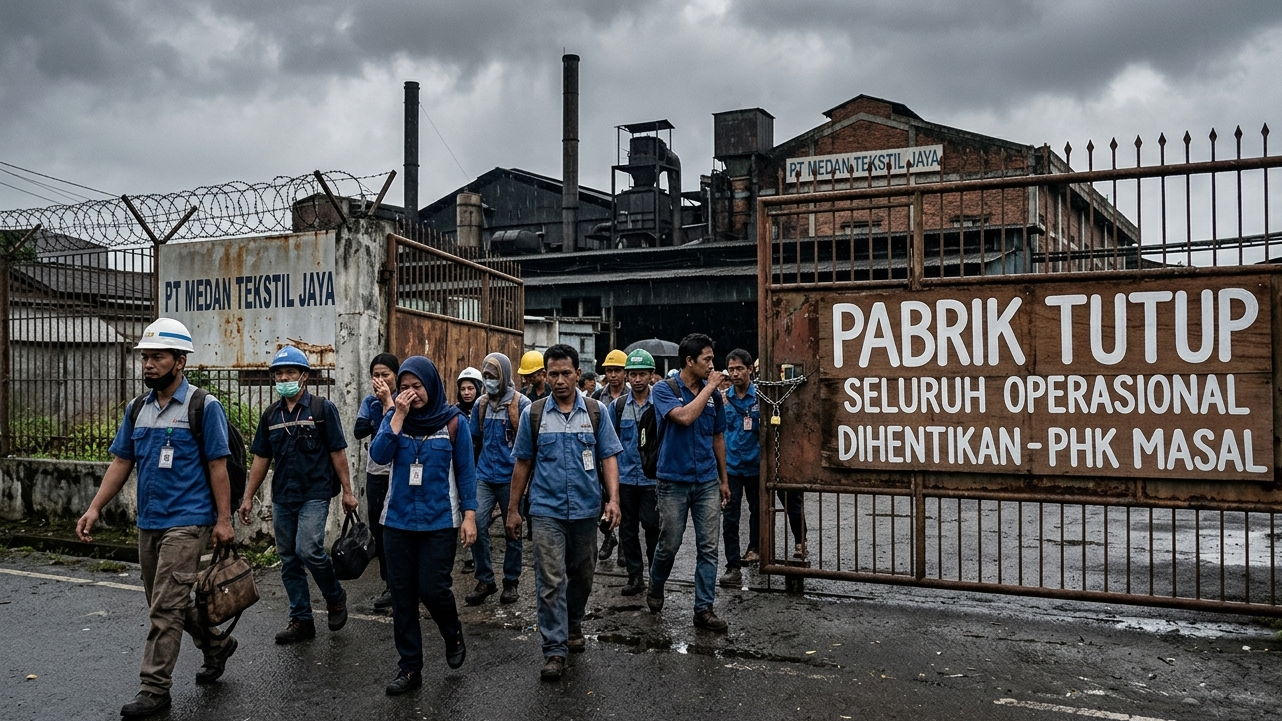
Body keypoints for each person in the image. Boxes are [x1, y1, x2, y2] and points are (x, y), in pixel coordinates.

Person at [75, 318, 237, 719]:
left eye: (157, 357)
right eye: (145, 357)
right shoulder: (137, 409)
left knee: (164, 608)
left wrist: (223, 520)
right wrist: (95, 507)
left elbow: (218, 466)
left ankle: (154, 688)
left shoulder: (204, 406)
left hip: (189, 521)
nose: (148, 364)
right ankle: (217, 644)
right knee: (167, 602)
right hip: (149, 521)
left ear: (180, 361)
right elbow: (121, 462)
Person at [506, 343, 622, 681]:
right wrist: (513, 509)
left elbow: (608, 457)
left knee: (583, 574)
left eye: (566, 373)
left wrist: (613, 500)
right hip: (546, 510)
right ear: (545, 375)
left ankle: (573, 622)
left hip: (586, 510)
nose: (559, 380)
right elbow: (523, 463)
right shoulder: (534, 415)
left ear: (578, 374)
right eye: (553, 374)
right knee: (550, 580)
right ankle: (554, 649)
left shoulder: (596, 412)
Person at [369, 356, 477, 695]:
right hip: (397, 521)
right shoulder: (394, 418)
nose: (411, 393)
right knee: (402, 597)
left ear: (431, 385)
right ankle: (409, 667)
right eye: (404, 387)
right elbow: (378, 455)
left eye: (417, 386)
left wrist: (470, 516)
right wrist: (397, 415)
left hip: (439, 521)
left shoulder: (454, 422)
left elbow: (466, 471)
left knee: (433, 590)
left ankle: (452, 632)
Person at [239, 345, 357, 644]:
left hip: (315, 492)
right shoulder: (271, 415)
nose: (284, 378)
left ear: (304, 376)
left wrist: (348, 491)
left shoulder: (321, 409)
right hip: (283, 495)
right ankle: (301, 619)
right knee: (289, 559)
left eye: (290, 372)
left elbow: (337, 452)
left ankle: (334, 595)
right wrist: (247, 497)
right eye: (279, 374)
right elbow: (261, 458)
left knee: (308, 549)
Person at [647, 333, 730, 632]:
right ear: (689, 361)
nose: (712, 365)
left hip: (706, 480)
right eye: (706, 360)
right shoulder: (664, 389)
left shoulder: (714, 398)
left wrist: (723, 479)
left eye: (712, 359)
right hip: (673, 481)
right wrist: (709, 388)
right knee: (669, 544)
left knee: (708, 547)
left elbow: (718, 437)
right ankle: (656, 584)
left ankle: (703, 609)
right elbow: (682, 417)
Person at [465, 352, 531, 606]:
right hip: (484, 475)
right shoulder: (480, 405)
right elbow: (474, 441)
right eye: (485, 376)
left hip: (511, 478)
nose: (488, 380)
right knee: (476, 524)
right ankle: (485, 579)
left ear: (504, 375)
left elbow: (528, 447)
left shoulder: (521, 404)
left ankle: (511, 581)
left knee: (512, 528)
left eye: (493, 376)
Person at [610, 349, 660, 596]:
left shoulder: (660, 405)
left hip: (652, 480)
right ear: (627, 376)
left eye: (642, 374)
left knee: (653, 527)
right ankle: (635, 577)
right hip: (625, 479)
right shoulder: (617, 407)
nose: (638, 379)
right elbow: (609, 445)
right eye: (633, 374)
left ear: (652, 375)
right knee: (627, 530)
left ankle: (655, 577)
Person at [353, 353, 399, 611]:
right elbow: (359, 430)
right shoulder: (369, 402)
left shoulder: (403, 400)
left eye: (385, 375)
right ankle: (389, 583)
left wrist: (389, 405)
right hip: (376, 472)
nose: (380, 380)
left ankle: (402, 584)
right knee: (378, 528)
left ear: (396, 376)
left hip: (398, 472)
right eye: (376, 375)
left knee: (396, 529)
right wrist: (377, 413)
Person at [719, 349, 762, 588]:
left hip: (756, 466)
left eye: (739, 369)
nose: (735, 374)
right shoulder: (722, 399)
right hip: (731, 469)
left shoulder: (761, 398)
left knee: (758, 511)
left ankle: (755, 548)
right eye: (731, 369)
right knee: (730, 518)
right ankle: (732, 566)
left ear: (750, 369)